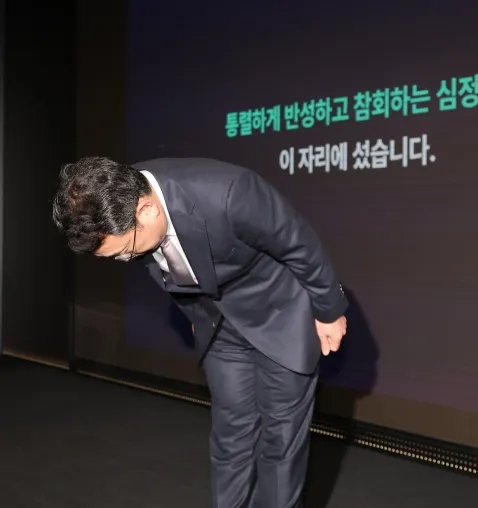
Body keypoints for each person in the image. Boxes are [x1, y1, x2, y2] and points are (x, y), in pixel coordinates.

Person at [52, 156, 348, 508]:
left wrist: (330, 312)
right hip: (218, 324)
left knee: (280, 443)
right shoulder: (119, 200)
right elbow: (167, 265)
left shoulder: (230, 194)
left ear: (147, 209)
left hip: (279, 314)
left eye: (125, 252)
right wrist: (195, 312)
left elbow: (300, 245)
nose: (126, 260)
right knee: (230, 438)